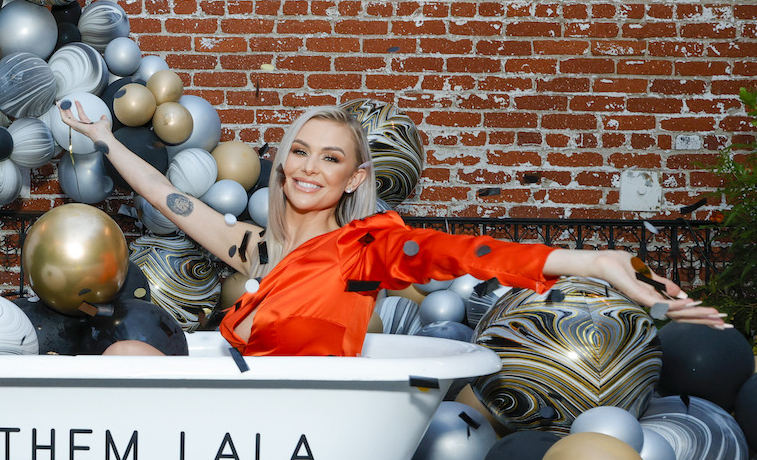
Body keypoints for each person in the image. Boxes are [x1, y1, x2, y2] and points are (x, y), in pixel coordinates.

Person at [59, 101, 729, 357]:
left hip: (305, 418)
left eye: (331, 157)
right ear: (283, 158)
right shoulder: (256, 245)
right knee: (126, 356)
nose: (309, 167)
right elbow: (170, 197)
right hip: (252, 397)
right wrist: (103, 138)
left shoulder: (367, 247)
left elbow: (469, 254)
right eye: (300, 150)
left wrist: (601, 263)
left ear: (354, 179)